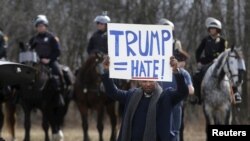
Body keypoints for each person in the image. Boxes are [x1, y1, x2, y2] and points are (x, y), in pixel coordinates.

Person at [101, 56, 189, 141]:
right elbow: (113, 92)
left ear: (156, 79)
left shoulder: (166, 96)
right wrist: (106, 70)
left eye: (151, 80)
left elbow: (183, 92)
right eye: (144, 81)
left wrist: (176, 72)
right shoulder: (131, 95)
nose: (147, 84)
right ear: (139, 81)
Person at [159, 18, 194, 141]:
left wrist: (177, 65)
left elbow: (183, 59)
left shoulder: (176, 42)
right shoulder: (154, 42)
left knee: (195, 74)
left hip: (173, 69)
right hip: (158, 71)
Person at [194, 17, 241, 104]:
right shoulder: (205, 40)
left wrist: (218, 59)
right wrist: (199, 61)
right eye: (210, 28)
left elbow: (224, 52)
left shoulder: (223, 41)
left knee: (231, 74)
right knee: (196, 76)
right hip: (207, 62)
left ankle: (235, 94)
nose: (211, 30)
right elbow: (198, 51)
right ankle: (198, 97)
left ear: (218, 30)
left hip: (220, 62)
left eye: (213, 28)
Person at [29, 15, 65, 98]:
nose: (40, 28)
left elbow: (57, 51)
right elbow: (29, 51)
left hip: (51, 61)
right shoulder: (33, 39)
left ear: (46, 26)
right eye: (38, 26)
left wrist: (49, 60)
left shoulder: (52, 38)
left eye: (42, 26)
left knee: (59, 73)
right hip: (37, 62)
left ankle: (60, 94)